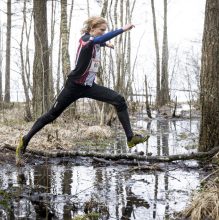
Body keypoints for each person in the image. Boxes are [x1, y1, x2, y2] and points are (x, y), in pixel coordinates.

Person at [16, 16, 149, 165]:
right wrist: (122, 29)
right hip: (73, 86)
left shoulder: (96, 42)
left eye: (105, 30)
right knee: (52, 114)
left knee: (119, 100)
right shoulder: (86, 39)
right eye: (101, 30)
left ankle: (130, 138)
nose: (103, 32)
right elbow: (94, 41)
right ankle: (25, 141)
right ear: (92, 29)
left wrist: (107, 45)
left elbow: (99, 42)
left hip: (89, 86)